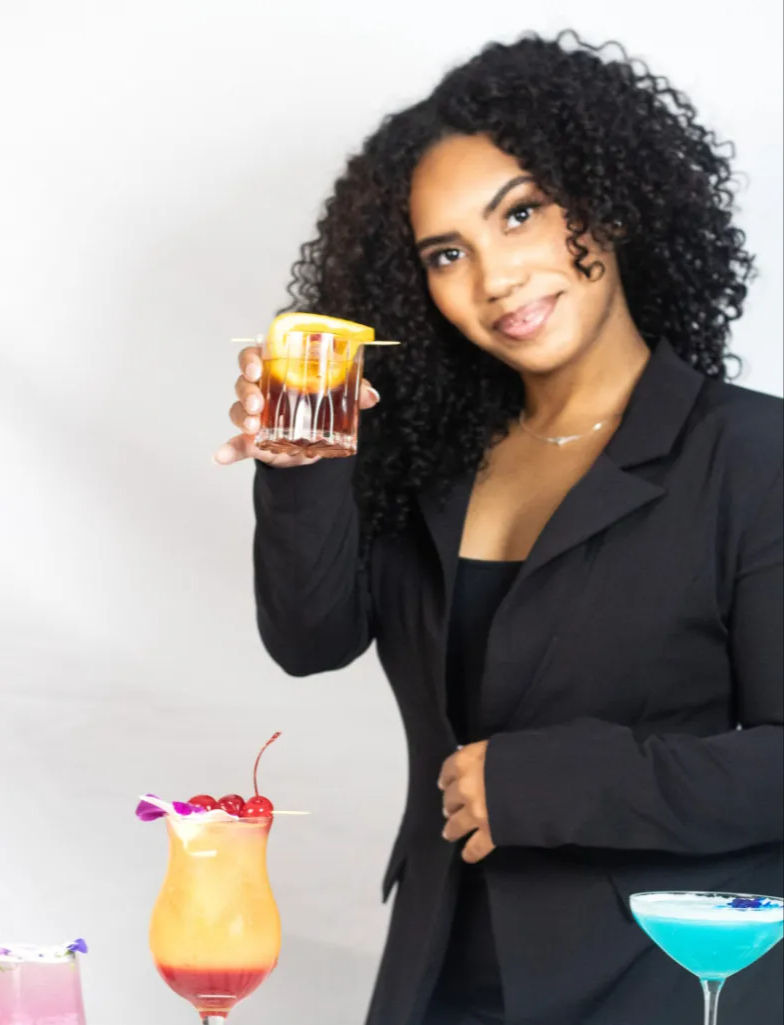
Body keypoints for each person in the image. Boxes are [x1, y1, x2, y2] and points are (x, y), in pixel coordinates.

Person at [214, 29, 783, 1025]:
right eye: (447, 253)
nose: (495, 277)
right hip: (440, 975)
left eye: (520, 213)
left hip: (665, 980)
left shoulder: (750, 453)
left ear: (607, 200)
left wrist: (546, 781)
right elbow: (310, 640)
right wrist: (302, 469)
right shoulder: (432, 459)